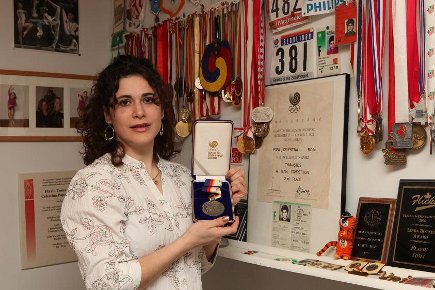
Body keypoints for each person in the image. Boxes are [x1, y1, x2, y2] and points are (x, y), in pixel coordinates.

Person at [60, 55, 247, 290]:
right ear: (108, 115)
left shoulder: (181, 177)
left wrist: (219, 213)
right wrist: (187, 241)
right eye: (125, 102)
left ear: (161, 110)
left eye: (149, 100)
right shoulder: (94, 183)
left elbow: (195, 267)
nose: (139, 111)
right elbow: (106, 283)